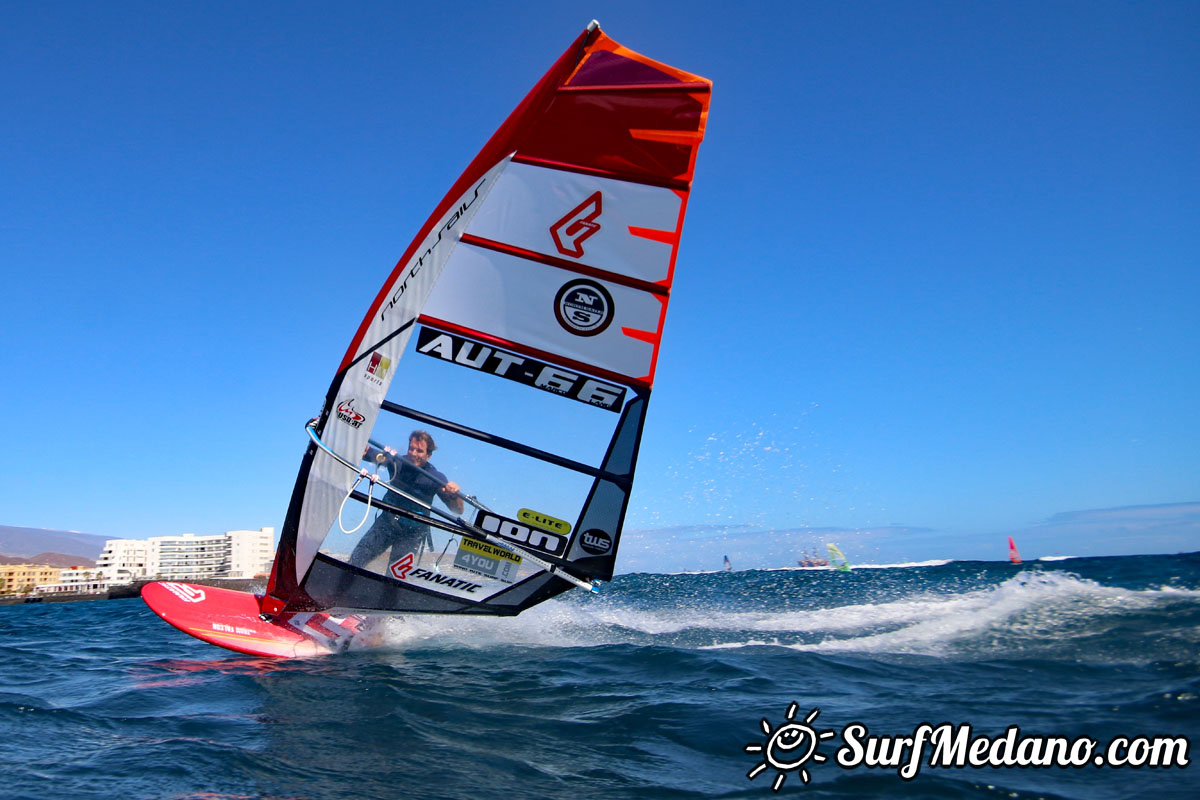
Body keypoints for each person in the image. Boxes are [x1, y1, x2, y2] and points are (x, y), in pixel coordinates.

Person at [348, 430, 465, 569]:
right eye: (411, 448)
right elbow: (368, 453)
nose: (413, 454)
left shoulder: (435, 477)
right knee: (356, 559)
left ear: (428, 455)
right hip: (386, 523)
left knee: (395, 575)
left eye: (419, 451)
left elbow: (458, 510)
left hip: (412, 533)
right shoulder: (396, 462)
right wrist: (358, 445)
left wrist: (455, 495)